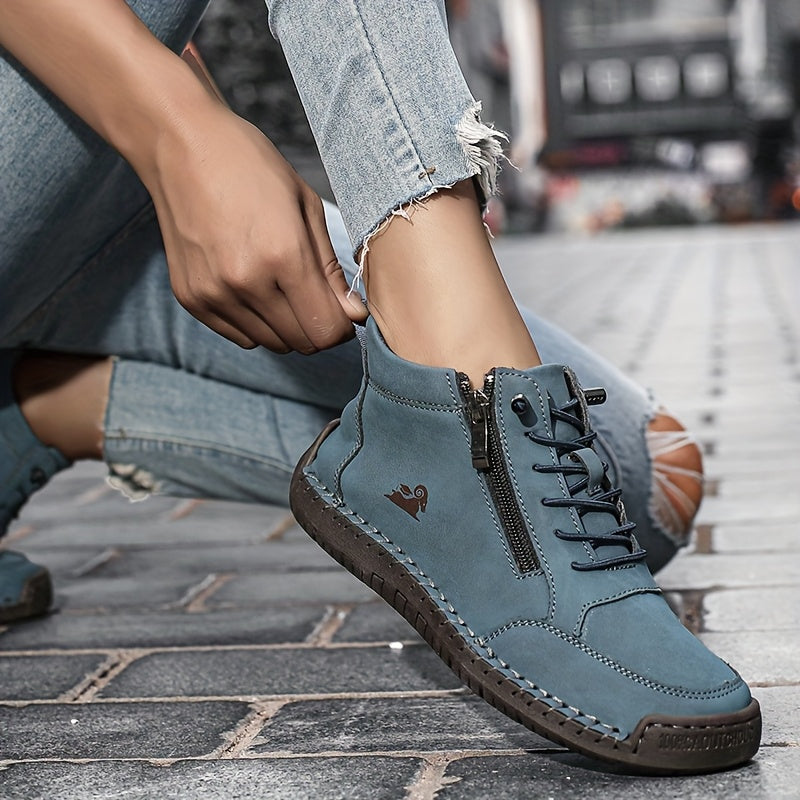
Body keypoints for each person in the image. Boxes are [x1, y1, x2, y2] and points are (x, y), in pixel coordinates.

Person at [0, 0, 759, 773]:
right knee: (538, 508)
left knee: (645, 482)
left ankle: (38, 408)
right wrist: (178, 132)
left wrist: (189, 112)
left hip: (91, 176)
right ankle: (453, 383)